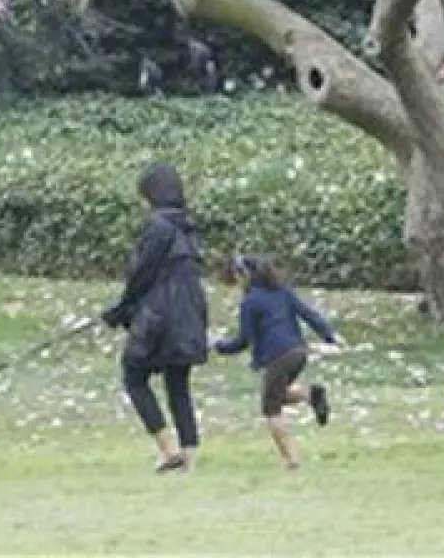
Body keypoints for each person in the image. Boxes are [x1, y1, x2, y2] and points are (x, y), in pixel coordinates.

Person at [101, 161, 210, 473]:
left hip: (160, 315)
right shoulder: (187, 227)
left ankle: (167, 448)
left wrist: (120, 311)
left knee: (134, 376)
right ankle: (189, 459)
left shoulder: (157, 227)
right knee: (178, 384)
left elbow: (142, 275)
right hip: (191, 312)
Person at [213, 254, 341, 471]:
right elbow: (309, 314)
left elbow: (243, 340)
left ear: (243, 276)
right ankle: (311, 395)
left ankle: (291, 460)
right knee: (278, 394)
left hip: (278, 357)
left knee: (270, 409)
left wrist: (218, 345)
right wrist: (330, 335)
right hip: (298, 352)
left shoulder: (250, 302)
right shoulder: (283, 292)